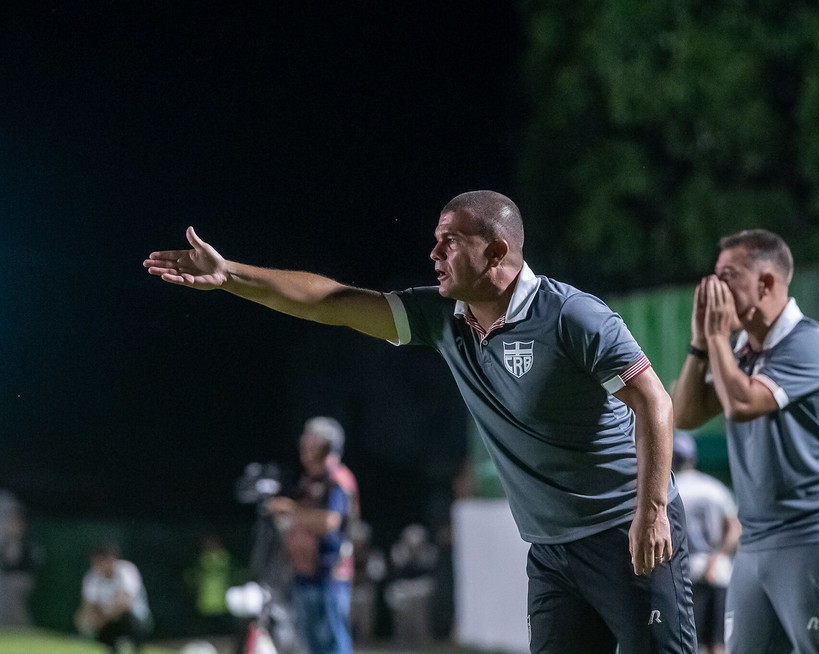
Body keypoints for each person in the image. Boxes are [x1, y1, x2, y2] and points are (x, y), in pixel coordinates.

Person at [145, 189, 697, 654]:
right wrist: (231, 274)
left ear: (497, 250)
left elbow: (654, 403)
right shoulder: (443, 319)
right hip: (551, 551)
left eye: (449, 241)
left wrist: (651, 513)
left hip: (625, 532)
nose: (433, 251)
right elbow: (331, 302)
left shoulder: (573, 316)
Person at [672, 229, 819, 654]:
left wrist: (720, 339)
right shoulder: (741, 351)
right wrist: (701, 343)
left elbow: (743, 403)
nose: (715, 288)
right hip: (757, 541)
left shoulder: (809, 344)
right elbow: (685, 414)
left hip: (814, 535)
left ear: (766, 283)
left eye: (729, 276)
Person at [266, 416, 360, 654]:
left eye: (311, 443)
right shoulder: (308, 480)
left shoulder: (338, 480)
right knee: (312, 643)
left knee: (333, 641)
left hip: (330, 572)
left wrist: (292, 511)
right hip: (304, 573)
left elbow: (330, 521)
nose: (304, 448)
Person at [671, 432, 740, 654]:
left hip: (686, 572)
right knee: (718, 644)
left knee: (693, 643)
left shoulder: (671, 489)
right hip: (719, 572)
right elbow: (734, 528)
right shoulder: (715, 487)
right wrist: (717, 557)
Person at [75, 542, 153, 654]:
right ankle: (112, 648)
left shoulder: (126, 570)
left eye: (100, 562)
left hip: (135, 619)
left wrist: (104, 618)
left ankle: (135, 648)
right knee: (87, 623)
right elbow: (87, 606)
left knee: (128, 621)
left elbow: (125, 603)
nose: (96, 566)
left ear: (111, 560)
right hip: (107, 620)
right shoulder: (92, 577)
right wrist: (88, 619)